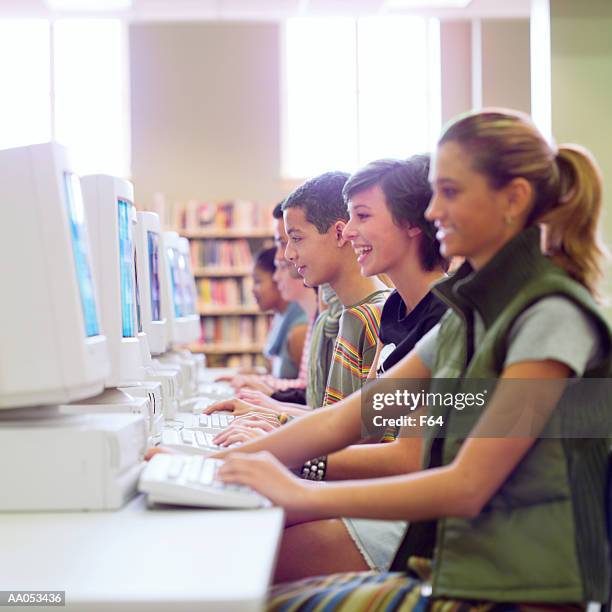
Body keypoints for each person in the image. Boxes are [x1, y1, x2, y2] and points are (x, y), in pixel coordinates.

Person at [216, 108, 612, 610]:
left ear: (513, 198)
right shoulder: (471, 317)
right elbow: (352, 416)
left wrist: (304, 490)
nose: (431, 211)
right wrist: (220, 464)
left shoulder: (548, 318)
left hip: (513, 594)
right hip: (461, 571)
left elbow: (469, 486)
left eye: (450, 192)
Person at [252, 247, 308, 380]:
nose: (252, 289)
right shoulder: (280, 319)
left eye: (258, 281)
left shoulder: (300, 331)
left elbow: (306, 391)